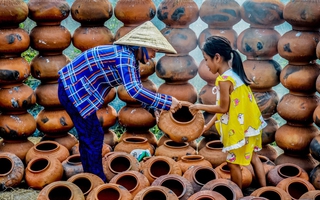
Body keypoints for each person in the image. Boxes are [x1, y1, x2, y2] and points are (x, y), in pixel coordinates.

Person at [57, 21, 182, 182]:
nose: (153, 55)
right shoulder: (125, 57)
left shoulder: (130, 59)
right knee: (93, 135)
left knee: (90, 135)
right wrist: (167, 102)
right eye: (153, 50)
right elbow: (134, 91)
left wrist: (153, 110)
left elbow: (135, 90)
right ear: (141, 46)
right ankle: (97, 181)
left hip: (76, 91)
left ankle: (90, 177)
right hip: (72, 89)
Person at [189, 36, 267, 189]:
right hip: (250, 126)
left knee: (233, 164)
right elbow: (224, 107)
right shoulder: (235, 75)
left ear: (217, 57)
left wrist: (199, 107)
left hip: (238, 129)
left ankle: (236, 195)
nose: (206, 64)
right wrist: (207, 125)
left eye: (206, 59)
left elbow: (222, 109)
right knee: (254, 158)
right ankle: (265, 191)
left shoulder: (224, 80)